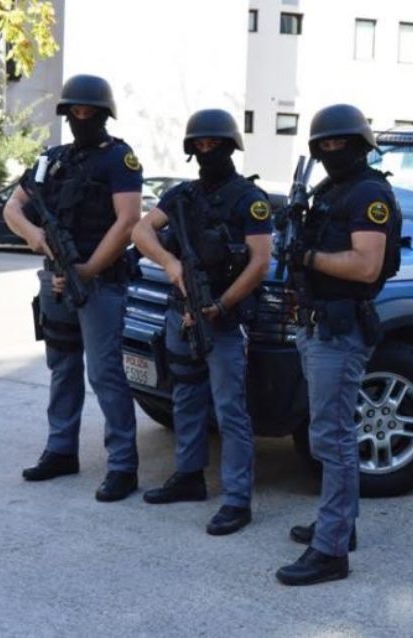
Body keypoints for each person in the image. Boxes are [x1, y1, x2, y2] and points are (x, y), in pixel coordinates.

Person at [275, 104, 401, 585]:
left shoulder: (369, 193)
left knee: (333, 438)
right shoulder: (331, 189)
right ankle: (338, 525)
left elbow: (366, 266)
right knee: (326, 432)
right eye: (324, 144)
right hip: (317, 324)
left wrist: (306, 256)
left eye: (339, 143)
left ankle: (330, 551)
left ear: (361, 145)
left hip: (340, 329)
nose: (332, 150)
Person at [131, 109, 271, 535]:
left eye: (215, 144)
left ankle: (237, 499)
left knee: (230, 410)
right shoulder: (182, 195)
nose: (207, 151)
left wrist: (222, 305)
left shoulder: (249, 199)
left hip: (223, 318)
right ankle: (189, 476)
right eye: (200, 145)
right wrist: (170, 263)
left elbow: (260, 262)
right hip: (182, 312)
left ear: (230, 147)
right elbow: (140, 232)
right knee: (186, 397)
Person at [4, 74, 143, 502]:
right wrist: (36, 237)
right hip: (56, 279)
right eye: (75, 112)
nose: (81, 118)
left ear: (104, 115)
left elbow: (128, 222)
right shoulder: (53, 159)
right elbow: (13, 208)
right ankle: (61, 449)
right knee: (62, 365)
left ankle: (123, 466)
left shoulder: (119, 158)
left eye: (89, 112)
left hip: (99, 282)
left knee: (104, 373)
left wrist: (88, 269)